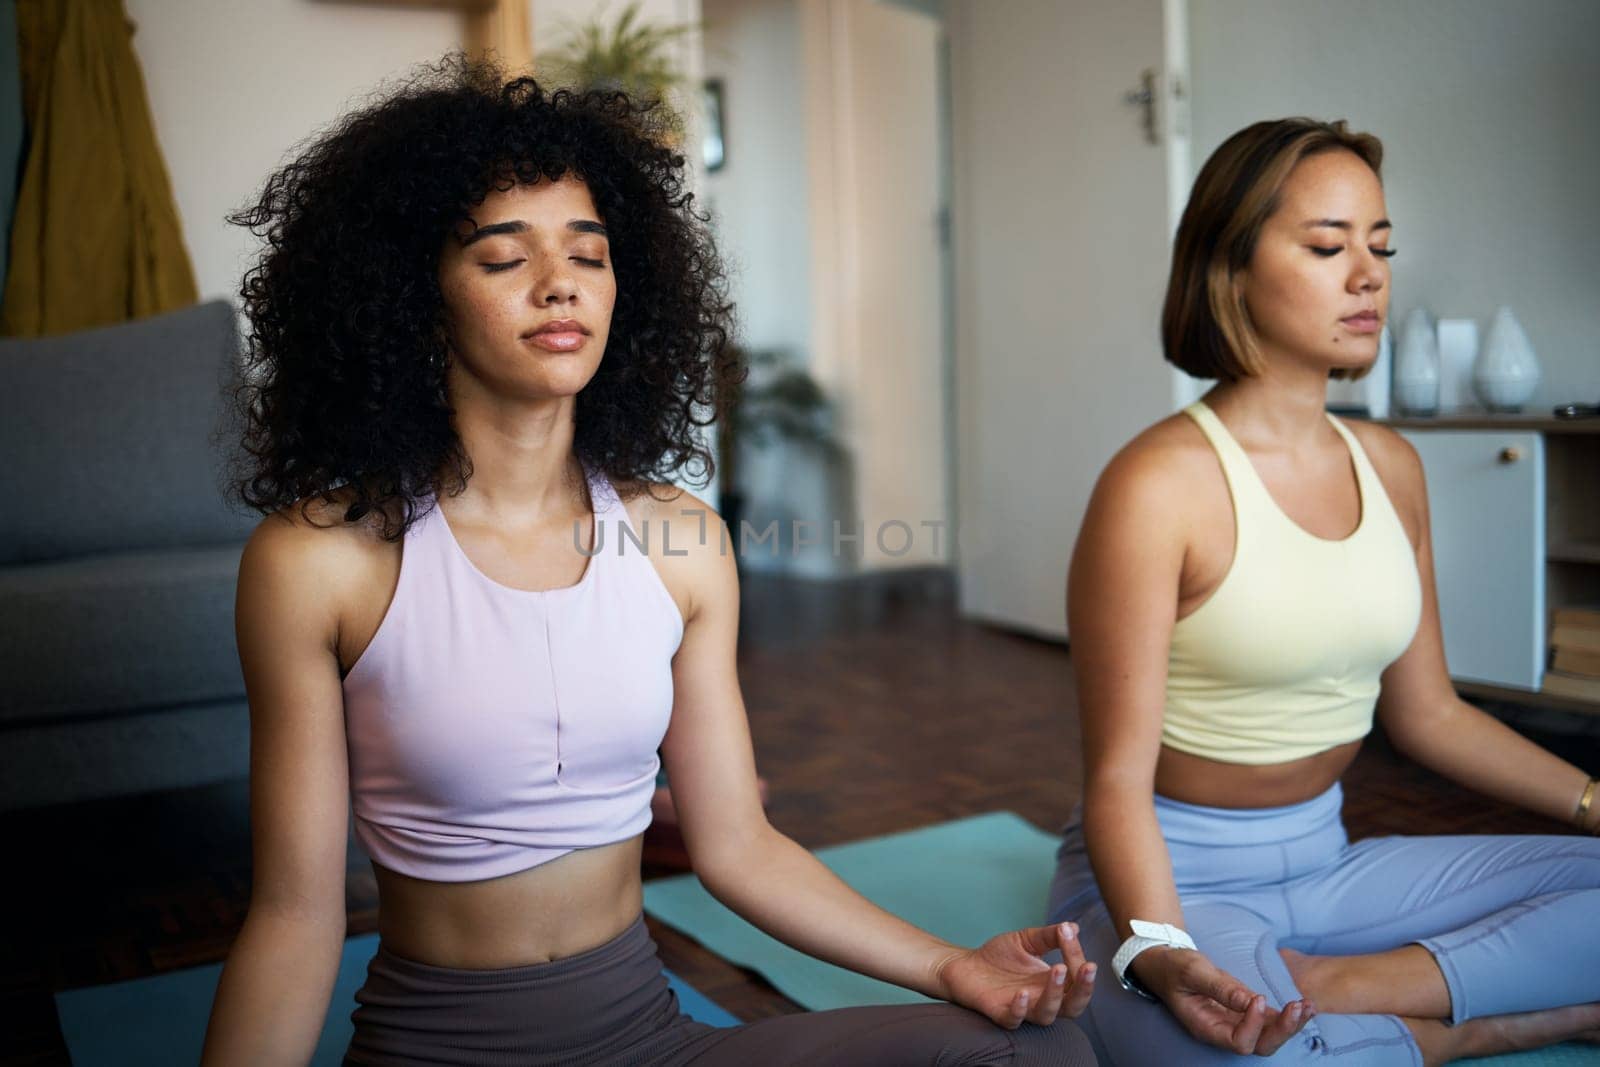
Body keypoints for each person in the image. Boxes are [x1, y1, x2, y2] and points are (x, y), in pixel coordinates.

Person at [200, 59, 1097, 1066]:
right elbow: (293, 915)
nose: (559, 283)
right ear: (416, 298)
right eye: (503, 260)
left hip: (647, 1040)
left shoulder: (681, 543)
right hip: (438, 1044)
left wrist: (951, 967)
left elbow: (739, 847)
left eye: (589, 253)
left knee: (1035, 1054)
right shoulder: (319, 563)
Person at [1047, 117, 1600, 1066]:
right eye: (1326, 245)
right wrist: (1163, 951)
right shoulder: (1158, 485)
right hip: (1169, 875)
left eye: (1381, 246)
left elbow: (1429, 715)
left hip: (1332, 864)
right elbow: (1116, 783)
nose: (1369, 274)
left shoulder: (1389, 464)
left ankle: (1350, 991)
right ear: (1229, 266)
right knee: (1228, 1048)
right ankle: (1494, 1025)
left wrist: (1595, 795)